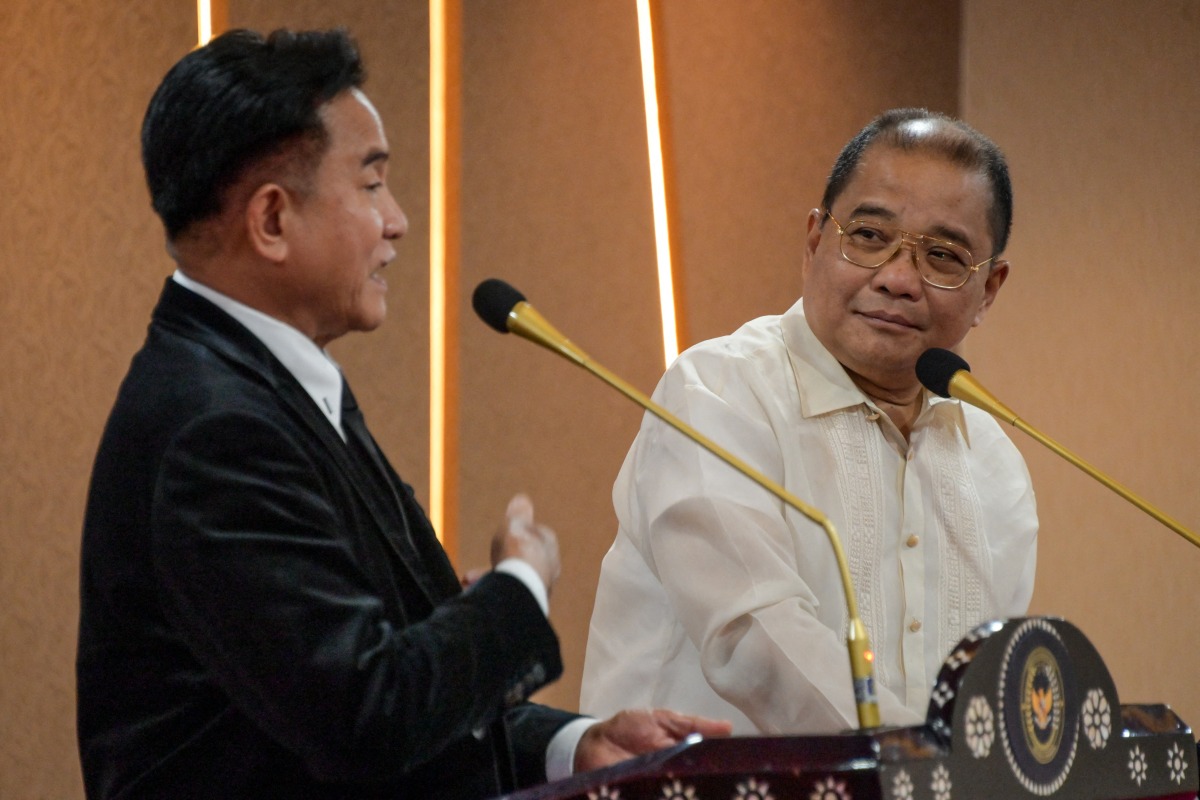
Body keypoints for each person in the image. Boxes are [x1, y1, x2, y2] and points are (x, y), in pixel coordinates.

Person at [76, 28, 728, 800]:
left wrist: (572, 744)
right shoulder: (214, 429)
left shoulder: (266, 388)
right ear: (272, 221)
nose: (398, 222)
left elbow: (342, 705)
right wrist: (518, 588)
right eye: (372, 183)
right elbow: (364, 717)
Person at [580, 108, 1038, 734]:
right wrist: (921, 770)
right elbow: (756, 639)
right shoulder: (718, 393)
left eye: (943, 256)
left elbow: (983, 702)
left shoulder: (993, 462)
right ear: (815, 240)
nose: (899, 279)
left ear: (989, 290)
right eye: (870, 238)